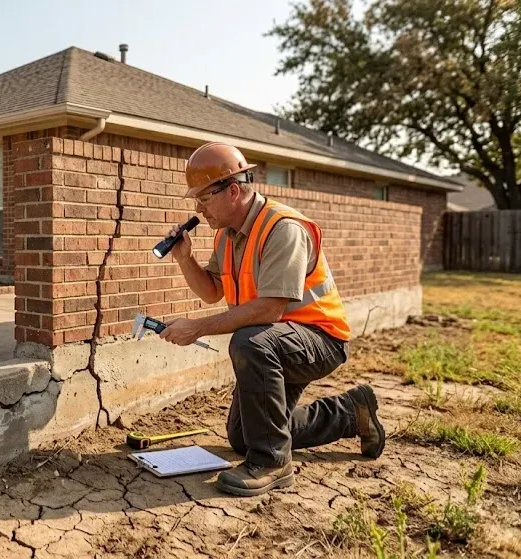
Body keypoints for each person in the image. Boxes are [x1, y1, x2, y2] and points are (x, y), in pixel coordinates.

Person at [157, 141, 386, 497]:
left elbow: (269, 310)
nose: (198, 210)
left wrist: (197, 327)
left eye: (203, 199)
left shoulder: (283, 229)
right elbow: (211, 292)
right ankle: (351, 412)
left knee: (248, 341)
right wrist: (185, 258)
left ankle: (273, 463)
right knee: (242, 437)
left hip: (320, 340)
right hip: (277, 341)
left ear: (232, 191)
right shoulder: (227, 235)